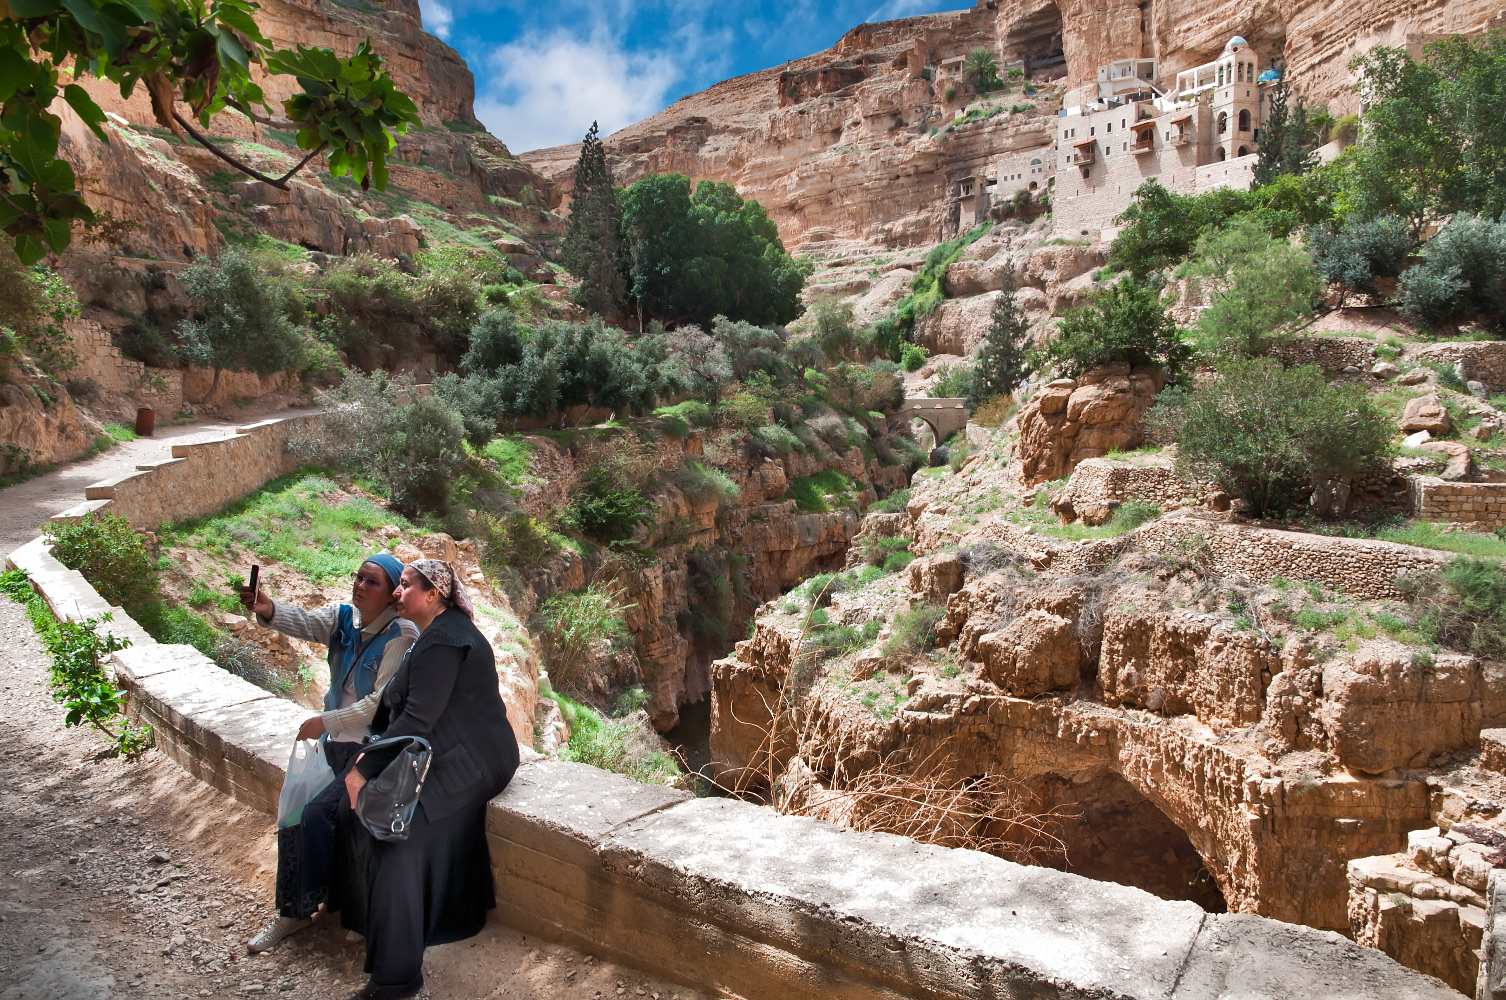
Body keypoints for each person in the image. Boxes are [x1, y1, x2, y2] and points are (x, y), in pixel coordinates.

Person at [334, 558, 520, 1000]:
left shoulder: (445, 640)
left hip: (472, 760)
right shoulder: (434, 633)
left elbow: (418, 717)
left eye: (404, 585)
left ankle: (396, 979)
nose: (396, 593)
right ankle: (378, 930)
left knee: (400, 840)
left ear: (432, 594)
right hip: (447, 751)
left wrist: (363, 767)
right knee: (357, 815)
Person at [239, 553, 418, 953]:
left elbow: (378, 703)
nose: (360, 586)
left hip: (370, 748)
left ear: (392, 594)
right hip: (333, 748)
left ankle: (328, 904)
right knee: (295, 817)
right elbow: (302, 621)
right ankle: (292, 911)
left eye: (372, 582)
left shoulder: (401, 635)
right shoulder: (343, 619)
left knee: (323, 814)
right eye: (358, 578)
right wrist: (267, 609)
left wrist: (325, 721)